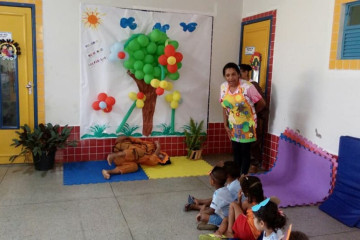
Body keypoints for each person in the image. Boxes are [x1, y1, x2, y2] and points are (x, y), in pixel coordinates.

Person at [220, 62, 266, 175]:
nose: (231, 78)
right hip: (233, 125)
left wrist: (252, 115)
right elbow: (224, 106)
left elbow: (262, 103)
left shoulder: (247, 87)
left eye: (233, 74)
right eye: (228, 75)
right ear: (225, 76)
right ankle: (236, 177)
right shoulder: (223, 87)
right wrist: (225, 124)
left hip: (247, 126)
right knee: (236, 152)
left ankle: (243, 177)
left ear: (238, 74)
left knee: (244, 152)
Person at [239, 64, 269, 173]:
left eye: (241, 72)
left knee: (253, 143)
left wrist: (253, 114)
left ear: (247, 72)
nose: (239, 75)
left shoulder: (253, 85)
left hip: (253, 120)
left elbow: (262, 103)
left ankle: (255, 164)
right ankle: (247, 163)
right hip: (243, 120)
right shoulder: (241, 85)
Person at [102, 136, 170, 179]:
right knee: (139, 151)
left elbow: (153, 158)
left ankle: (108, 172)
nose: (161, 156)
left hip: (120, 160)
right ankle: (114, 155)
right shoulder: (149, 144)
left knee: (134, 166)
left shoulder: (150, 159)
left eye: (162, 158)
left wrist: (158, 147)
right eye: (163, 155)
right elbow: (131, 140)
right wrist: (127, 138)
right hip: (120, 149)